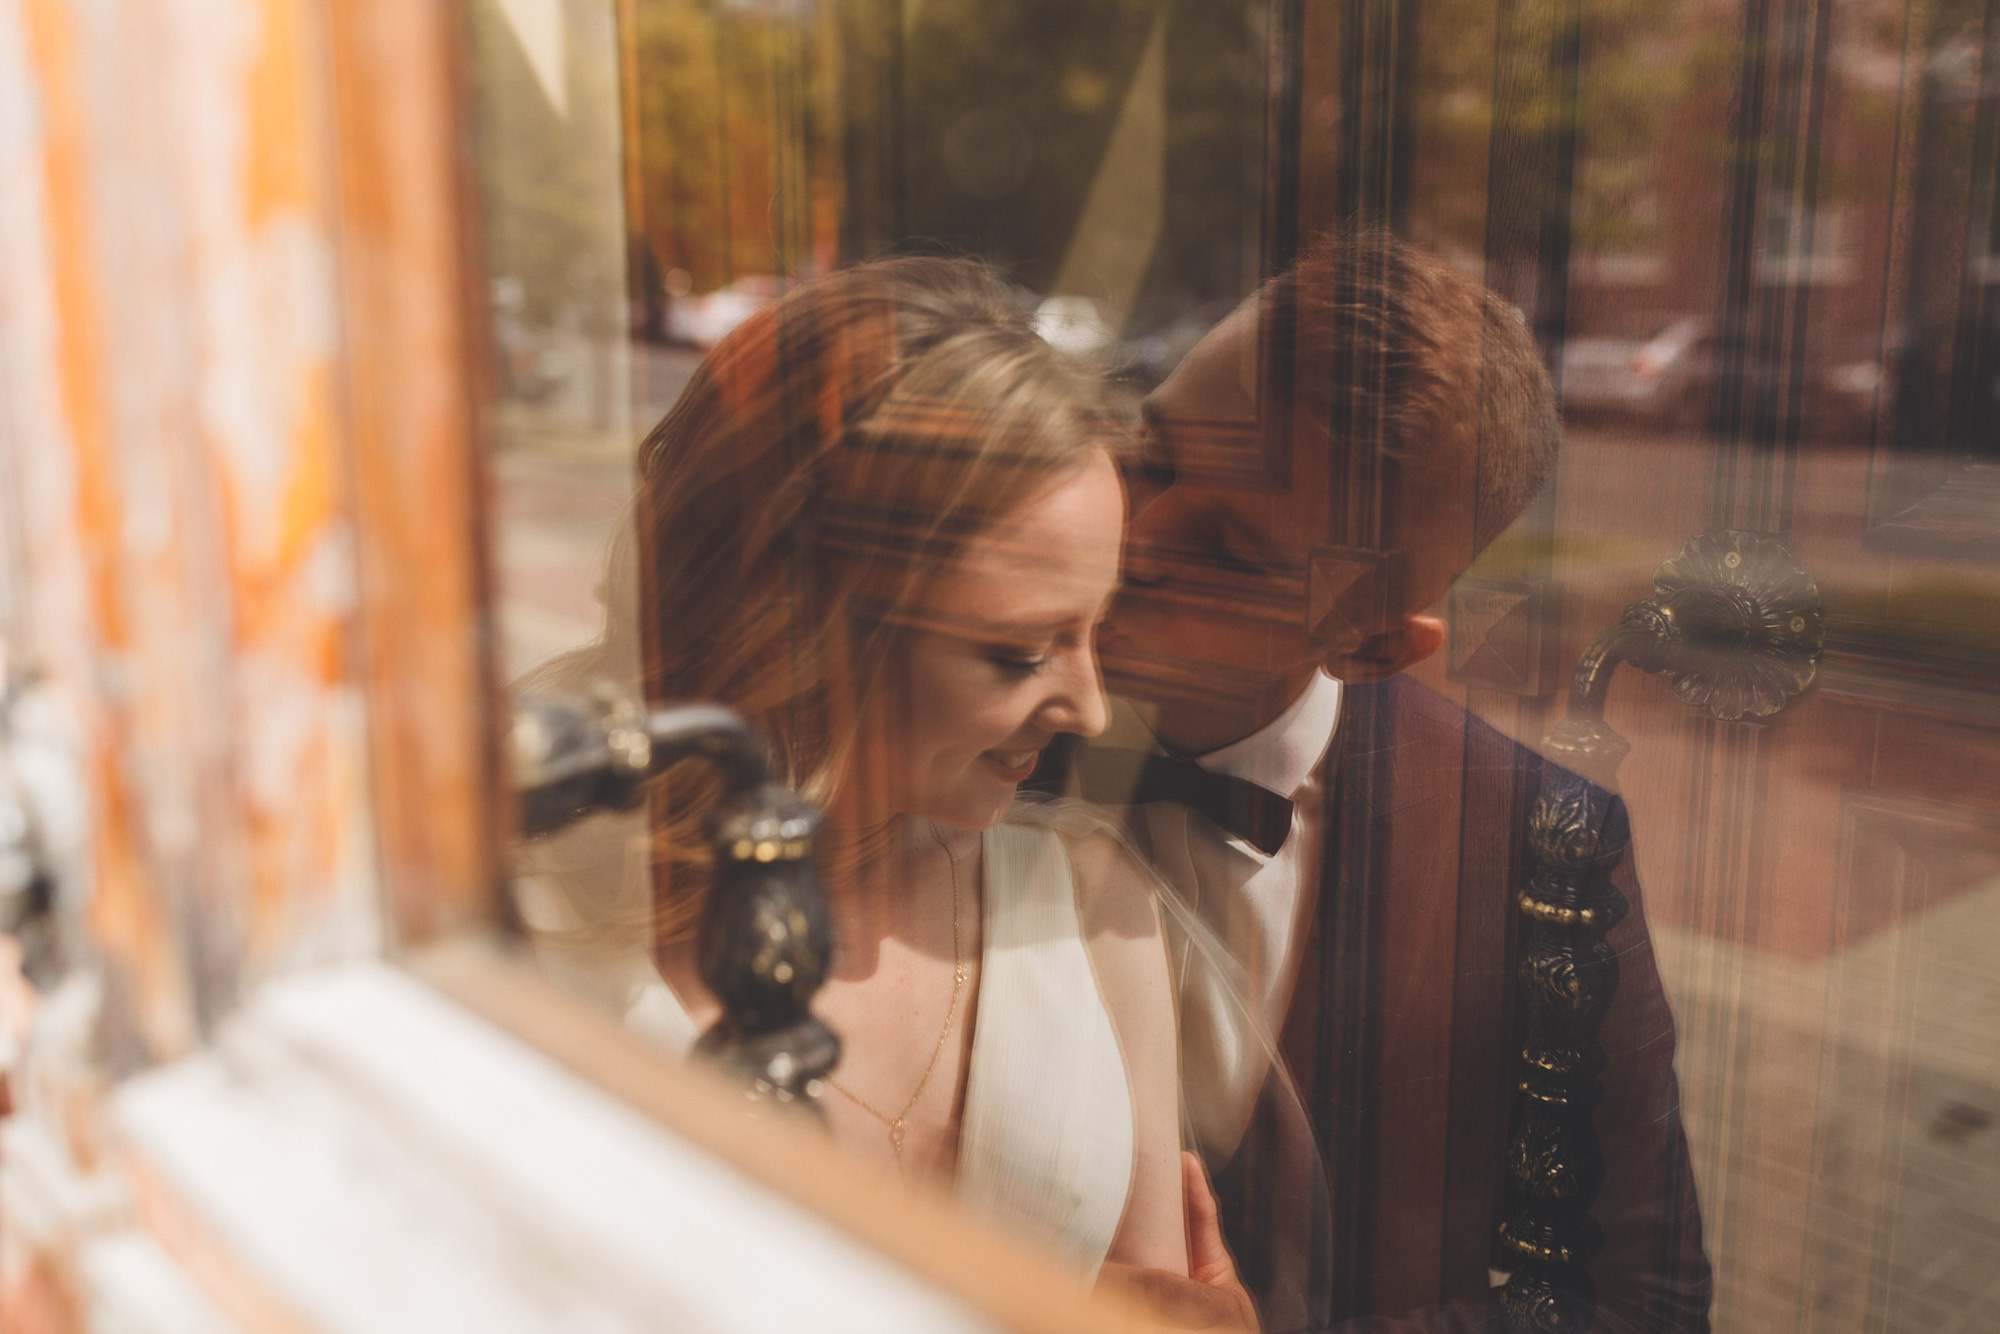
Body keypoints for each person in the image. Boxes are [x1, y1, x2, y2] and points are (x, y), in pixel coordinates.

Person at [1053, 231, 1712, 1331]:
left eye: (1232, 548)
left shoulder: (1535, 844)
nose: (1132, 534)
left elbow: (1638, 1297)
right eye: (1150, 452)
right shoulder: (937, 714)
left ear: (1366, 644)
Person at [516, 256, 1197, 1283]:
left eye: (1095, 629)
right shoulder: (531, 923)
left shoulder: (1091, 906)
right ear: (804, 627)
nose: (1089, 707)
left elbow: (1158, 1297)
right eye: (1017, 652)